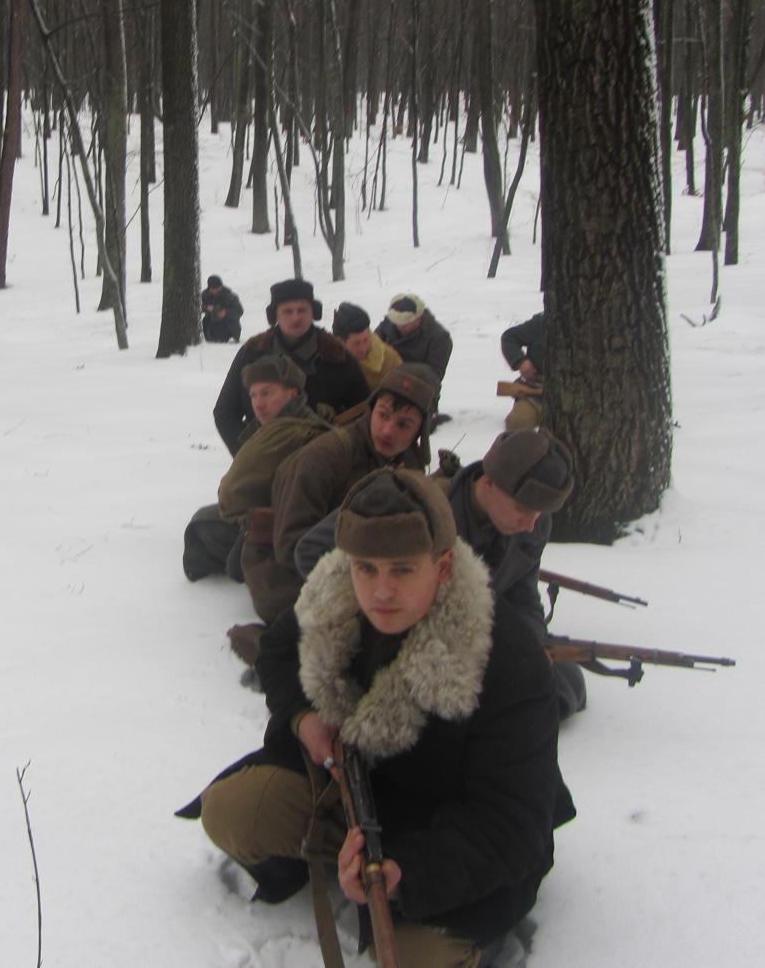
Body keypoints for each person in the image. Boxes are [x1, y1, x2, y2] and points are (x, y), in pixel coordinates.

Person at [183, 469, 574, 968]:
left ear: (444, 567)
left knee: (410, 960)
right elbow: (279, 650)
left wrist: (402, 872)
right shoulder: (335, 599)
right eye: (365, 568)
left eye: (402, 570)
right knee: (232, 812)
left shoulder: (507, 661)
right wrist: (303, 718)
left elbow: (511, 826)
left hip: (448, 838)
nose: (381, 591)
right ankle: (329, 866)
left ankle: (470, 939)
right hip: (352, 795)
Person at [235, 363, 438, 637]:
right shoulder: (324, 457)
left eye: (404, 424)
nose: (388, 430)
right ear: (371, 409)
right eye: (383, 415)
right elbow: (290, 548)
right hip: (284, 571)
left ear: (419, 432)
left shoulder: (409, 463)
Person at [445, 427, 586, 718]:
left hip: (487, 639)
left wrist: (531, 647)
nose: (531, 524)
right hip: (434, 645)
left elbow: (523, 595)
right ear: (489, 483)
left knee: (565, 681)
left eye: (539, 512)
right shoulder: (434, 517)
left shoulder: (533, 523)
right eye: (523, 508)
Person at [184, 356, 319, 582]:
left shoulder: (290, 432)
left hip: (283, 530)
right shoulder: (285, 426)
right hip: (277, 522)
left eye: (267, 393)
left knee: (201, 527)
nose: (258, 403)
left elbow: (233, 494)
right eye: (253, 395)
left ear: (292, 393)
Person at [213, 278, 369, 455]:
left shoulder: (338, 356)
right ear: (275, 315)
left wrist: (337, 453)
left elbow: (363, 414)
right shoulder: (252, 353)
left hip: (323, 460)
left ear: (313, 312)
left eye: (302, 310)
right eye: (287, 311)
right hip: (262, 459)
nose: (296, 318)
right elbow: (225, 412)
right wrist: (249, 454)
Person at [375, 293, 454, 386]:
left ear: (418, 318)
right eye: (396, 322)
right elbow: (372, 346)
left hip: (418, 387)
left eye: (405, 323)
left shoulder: (440, 337)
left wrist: (395, 367)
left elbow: (434, 376)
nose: (399, 326)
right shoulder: (389, 323)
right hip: (384, 379)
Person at [332, 301, 401, 392]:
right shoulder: (325, 363)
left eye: (366, 340)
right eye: (356, 343)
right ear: (340, 341)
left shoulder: (389, 359)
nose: (363, 348)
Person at [499, 312, 546, 430]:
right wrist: (520, 361)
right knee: (517, 423)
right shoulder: (543, 322)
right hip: (537, 393)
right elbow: (509, 338)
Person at [202, 276, 244, 343]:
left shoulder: (230, 296)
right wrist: (206, 308)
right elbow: (196, 307)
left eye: (218, 288)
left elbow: (239, 310)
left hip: (228, 325)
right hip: (211, 324)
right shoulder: (204, 295)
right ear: (209, 288)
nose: (216, 290)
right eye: (213, 288)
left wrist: (225, 313)